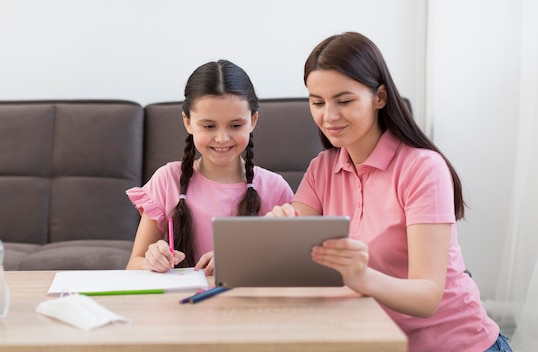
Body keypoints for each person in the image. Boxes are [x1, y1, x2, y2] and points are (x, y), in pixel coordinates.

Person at [266, 32, 511, 352]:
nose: (329, 116)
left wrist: (360, 276)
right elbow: (291, 248)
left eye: (344, 100)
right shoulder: (323, 168)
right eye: (317, 102)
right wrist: (277, 231)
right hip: (373, 340)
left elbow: (427, 297)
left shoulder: (422, 168)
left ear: (379, 97)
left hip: (456, 344)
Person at [126, 59, 294, 275]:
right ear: (188, 122)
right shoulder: (167, 180)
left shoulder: (275, 188)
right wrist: (152, 261)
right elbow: (133, 265)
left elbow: (291, 266)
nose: (222, 138)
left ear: (253, 121)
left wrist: (243, 258)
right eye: (208, 126)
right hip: (182, 305)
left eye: (235, 125)